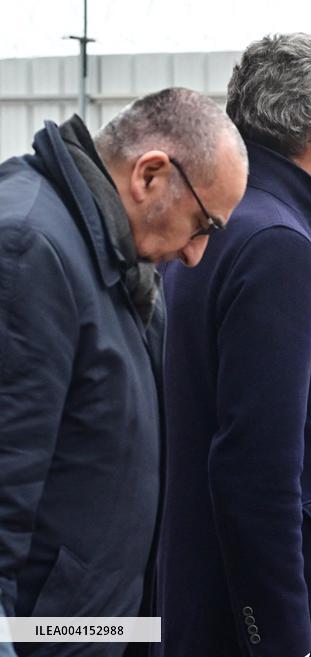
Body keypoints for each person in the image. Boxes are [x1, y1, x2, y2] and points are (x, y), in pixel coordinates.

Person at [0, 88, 247, 657]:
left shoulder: (113, 260)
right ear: (151, 176)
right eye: (203, 224)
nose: (195, 255)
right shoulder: (29, 249)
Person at [157, 34, 311, 657]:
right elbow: (256, 467)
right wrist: (280, 637)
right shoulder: (277, 240)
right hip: (284, 612)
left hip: (210, 588)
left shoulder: (228, 222)